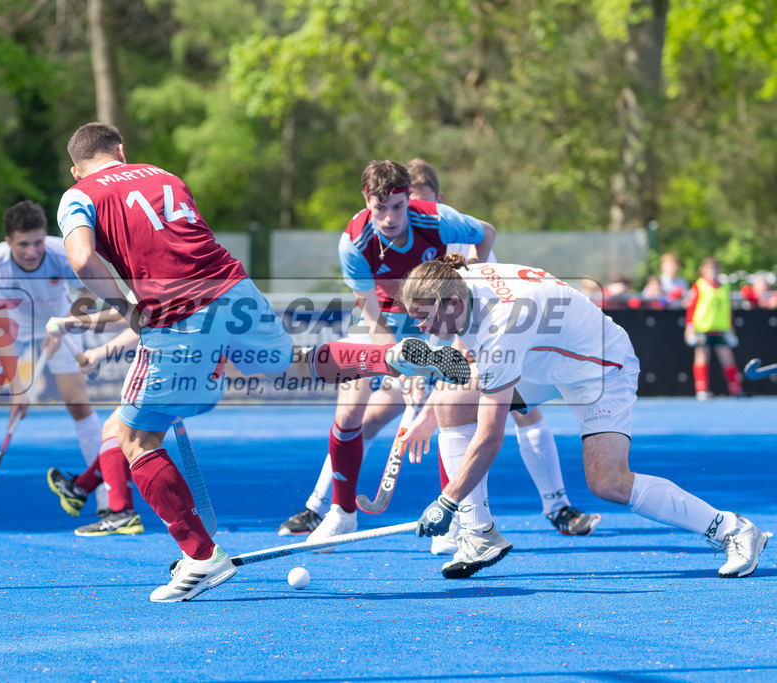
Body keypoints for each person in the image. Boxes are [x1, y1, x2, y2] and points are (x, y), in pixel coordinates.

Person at [56, 122, 465, 602]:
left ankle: (201, 556)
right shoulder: (163, 175)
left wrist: (128, 308)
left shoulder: (78, 195)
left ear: (76, 169)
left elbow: (82, 259)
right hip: (232, 286)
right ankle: (390, 354)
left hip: (177, 315)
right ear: (121, 151)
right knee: (294, 362)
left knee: (133, 437)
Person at [284, 159, 599, 573]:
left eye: (400, 207)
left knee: (462, 405)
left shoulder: (440, 222)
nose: (391, 218)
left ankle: (469, 519)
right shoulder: (354, 243)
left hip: (446, 314)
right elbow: (372, 316)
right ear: (366, 200)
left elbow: (486, 233)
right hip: (387, 319)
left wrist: (450, 332)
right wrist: (399, 365)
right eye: (381, 208)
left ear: (416, 202)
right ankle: (339, 512)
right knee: (350, 408)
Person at [403, 254, 770, 579]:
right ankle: (480, 534)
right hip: (547, 361)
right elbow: (468, 338)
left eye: (424, 318)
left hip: (602, 369)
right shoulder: (462, 279)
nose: (420, 328)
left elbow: (489, 437)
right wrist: (437, 403)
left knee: (608, 482)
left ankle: (733, 530)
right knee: (450, 403)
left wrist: (448, 500)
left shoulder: (504, 325)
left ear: (453, 303)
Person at [0, 200, 102, 519]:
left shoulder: (62, 251)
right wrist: (18, 390)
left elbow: (90, 291)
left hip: (58, 319)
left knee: (77, 400)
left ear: (45, 237)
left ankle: (106, 490)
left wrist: (65, 324)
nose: (32, 251)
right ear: (8, 241)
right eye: (23, 244)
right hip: (9, 324)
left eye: (37, 242)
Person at [44, 321, 146, 536]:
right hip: (199, 370)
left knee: (115, 430)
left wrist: (68, 324)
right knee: (126, 432)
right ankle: (79, 488)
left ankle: (121, 513)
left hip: (177, 369)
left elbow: (130, 320)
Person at [684, 256, 742, 400]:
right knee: (702, 357)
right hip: (702, 328)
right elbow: (692, 307)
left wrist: (731, 329)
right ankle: (702, 389)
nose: (713, 272)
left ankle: (735, 388)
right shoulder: (699, 285)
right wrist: (690, 327)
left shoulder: (725, 287)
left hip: (721, 329)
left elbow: (728, 309)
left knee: (727, 358)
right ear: (703, 270)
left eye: (715, 268)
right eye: (709, 269)